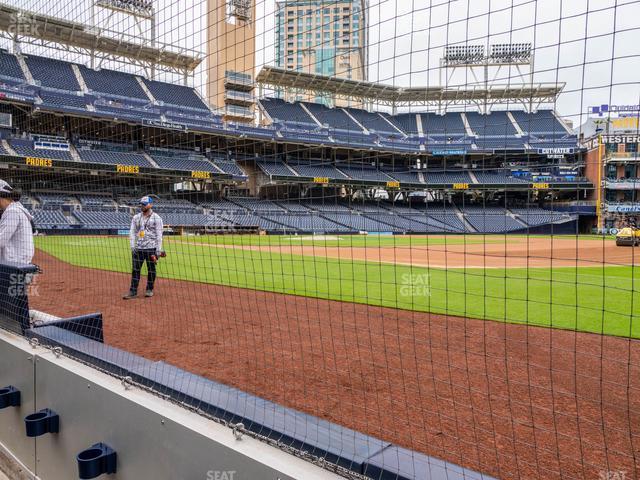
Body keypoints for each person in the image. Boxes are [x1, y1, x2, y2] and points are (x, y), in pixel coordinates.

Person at [123, 195, 163, 299]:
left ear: (150, 205)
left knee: (151, 270)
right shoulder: (136, 217)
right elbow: (132, 232)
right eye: (141, 204)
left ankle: (149, 289)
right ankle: (133, 291)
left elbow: (159, 235)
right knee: (135, 270)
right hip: (139, 248)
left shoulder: (157, 218)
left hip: (151, 248)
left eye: (144, 205)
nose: (142, 206)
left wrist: (158, 250)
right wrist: (132, 245)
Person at [0, 180, 34, 265]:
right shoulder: (16, 209)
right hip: (19, 263)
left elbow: (1, 240)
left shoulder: (12, 212)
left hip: (14, 264)